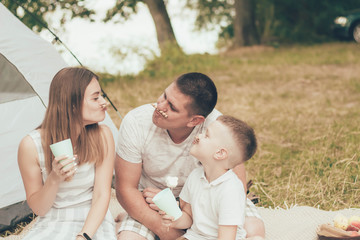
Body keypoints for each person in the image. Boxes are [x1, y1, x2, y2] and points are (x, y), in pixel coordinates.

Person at [115, 72, 265, 240]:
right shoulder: (136, 122)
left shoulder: (217, 127)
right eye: (164, 95)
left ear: (195, 121)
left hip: (212, 200)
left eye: (171, 107)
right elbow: (125, 189)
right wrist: (165, 228)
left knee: (253, 231)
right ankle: (129, 219)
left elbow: (236, 182)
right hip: (155, 200)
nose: (159, 105)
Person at [17, 67, 116, 240]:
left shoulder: (102, 136)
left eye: (102, 95)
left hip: (93, 218)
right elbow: (40, 209)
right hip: (52, 219)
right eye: (95, 97)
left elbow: (101, 195)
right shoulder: (30, 145)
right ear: (72, 104)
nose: (103, 102)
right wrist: (54, 178)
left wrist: (83, 236)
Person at [159, 115, 264, 240]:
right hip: (195, 236)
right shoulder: (195, 176)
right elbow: (189, 218)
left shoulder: (230, 190)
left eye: (206, 135)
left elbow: (226, 237)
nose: (198, 136)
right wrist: (175, 219)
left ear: (219, 153)